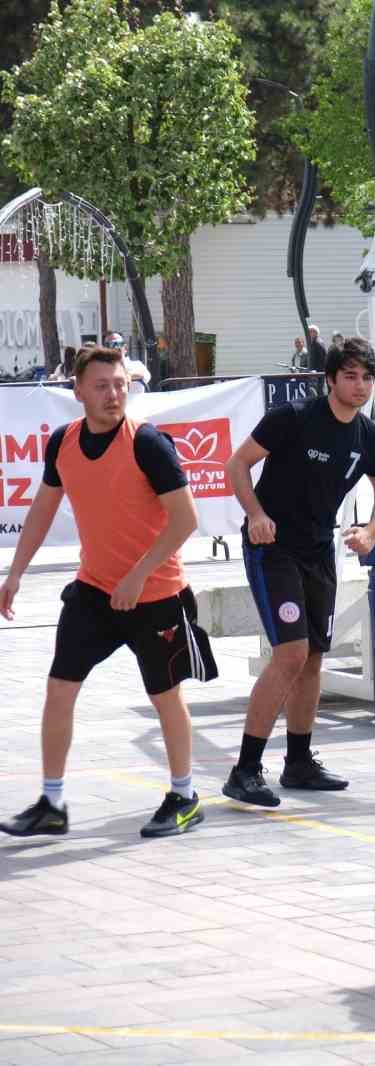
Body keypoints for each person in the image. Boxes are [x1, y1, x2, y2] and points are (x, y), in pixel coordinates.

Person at [0, 346, 216, 840]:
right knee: (59, 689)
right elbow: (42, 509)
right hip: (95, 590)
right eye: (101, 386)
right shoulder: (64, 442)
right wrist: (14, 573)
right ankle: (51, 803)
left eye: (119, 384)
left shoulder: (148, 444)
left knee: (165, 696)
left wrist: (139, 575)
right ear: (77, 392)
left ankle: (184, 797)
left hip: (155, 592)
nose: (114, 394)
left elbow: (186, 520)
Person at [220, 338, 375, 806]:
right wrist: (256, 514)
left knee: (314, 658)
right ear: (330, 379)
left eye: (366, 377)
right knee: (291, 655)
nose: (359, 386)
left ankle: (298, 762)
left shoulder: (368, 436)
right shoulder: (294, 418)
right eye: (350, 376)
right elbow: (237, 465)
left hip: (320, 551)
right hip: (273, 547)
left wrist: (372, 533)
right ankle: (245, 770)